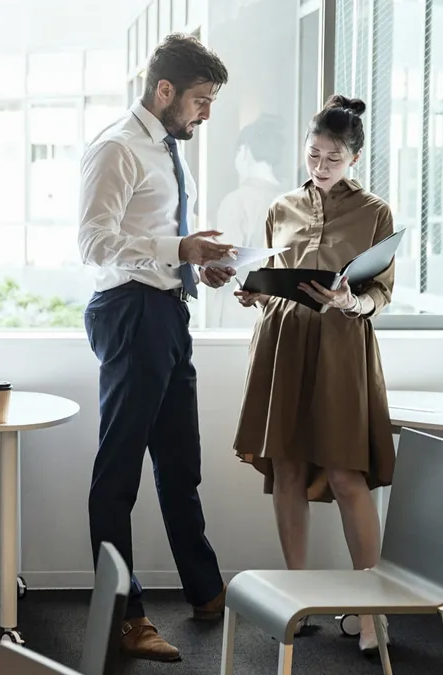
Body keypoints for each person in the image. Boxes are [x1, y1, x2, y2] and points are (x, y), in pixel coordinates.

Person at [76, 33, 236, 663]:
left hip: (168, 309)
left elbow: (158, 236)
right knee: (118, 475)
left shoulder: (168, 149)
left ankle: (204, 590)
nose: (206, 112)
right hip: (130, 312)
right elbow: (94, 243)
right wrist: (179, 251)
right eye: (200, 99)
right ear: (163, 90)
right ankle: (124, 615)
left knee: (180, 465)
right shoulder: (117, 147)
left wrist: (199, 264)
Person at [232, 94, 397, 657]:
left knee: (348, 477)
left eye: (331, 157)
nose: (320, 166)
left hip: (341, 348)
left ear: (352, 157)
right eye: (313, 155)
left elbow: (380, 294)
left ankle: (372, 613)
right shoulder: (280, 207)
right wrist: (254, 293)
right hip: (282, 344)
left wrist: (352, 302)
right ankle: (296, 599)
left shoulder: (375, 212)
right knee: (287, 473)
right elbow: (276, 278)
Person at [206, 114, 288, 329]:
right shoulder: (290, 200)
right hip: (279, 312)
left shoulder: (237, 201)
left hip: (239, 314)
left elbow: (223, 266)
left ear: (243, 152)